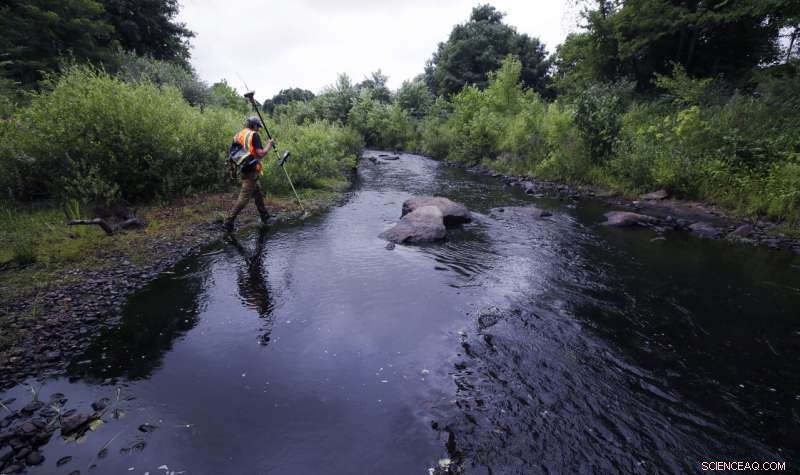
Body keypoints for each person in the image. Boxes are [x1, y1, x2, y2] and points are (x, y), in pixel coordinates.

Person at [224, 116, 275, 232]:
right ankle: (228, 221)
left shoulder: (238, 135)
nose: (258, 129)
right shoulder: (254, 135)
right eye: (258, 127)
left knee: (258, 193)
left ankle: (265, 216)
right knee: (244, 198)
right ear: (254, 125)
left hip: (243, 167)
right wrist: (269, 145)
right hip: (251, 169)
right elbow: (260, 153)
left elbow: (232, 153)